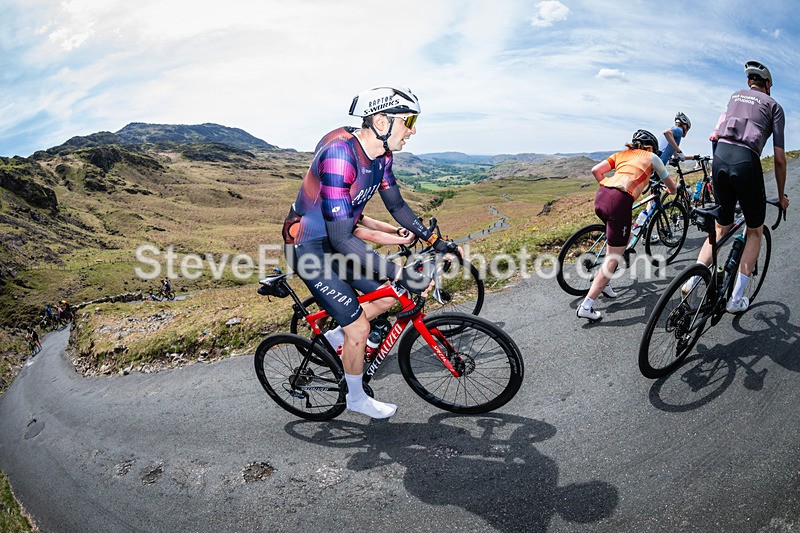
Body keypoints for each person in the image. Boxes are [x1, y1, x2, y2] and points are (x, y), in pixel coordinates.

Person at [282, 86, 457, 419]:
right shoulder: (339, 157)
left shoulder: (382, 157)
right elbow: (343, 237)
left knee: (393, 294)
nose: (413, 130)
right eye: (409, 120)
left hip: (337, 242)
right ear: (381, 121)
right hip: (309, 248)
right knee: (360, 326)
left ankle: (336, 335)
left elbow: (397, 205)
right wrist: (400, 271)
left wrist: (432, 238)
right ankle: (356, 397)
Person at [685, 60, 788, 313]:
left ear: (748, 83)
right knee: (754, 230)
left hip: (720, 158)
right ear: (767, 85)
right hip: (745, 161)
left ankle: (693, 279)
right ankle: (736, 299)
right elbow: (779, 159)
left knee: (722, 227)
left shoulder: (734, 96)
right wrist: (782, 195)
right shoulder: (774, 106)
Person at [577, 130, 677, 321]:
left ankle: (604, 283)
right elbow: (671, 187)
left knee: (619, 241)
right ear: (649, 147)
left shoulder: (620, 155)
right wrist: (672, 190)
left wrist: (610, 187)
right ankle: (587, 305)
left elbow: (595, 171)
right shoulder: (652, 156)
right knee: (614, 257)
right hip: (618, 201)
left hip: (601, 196)